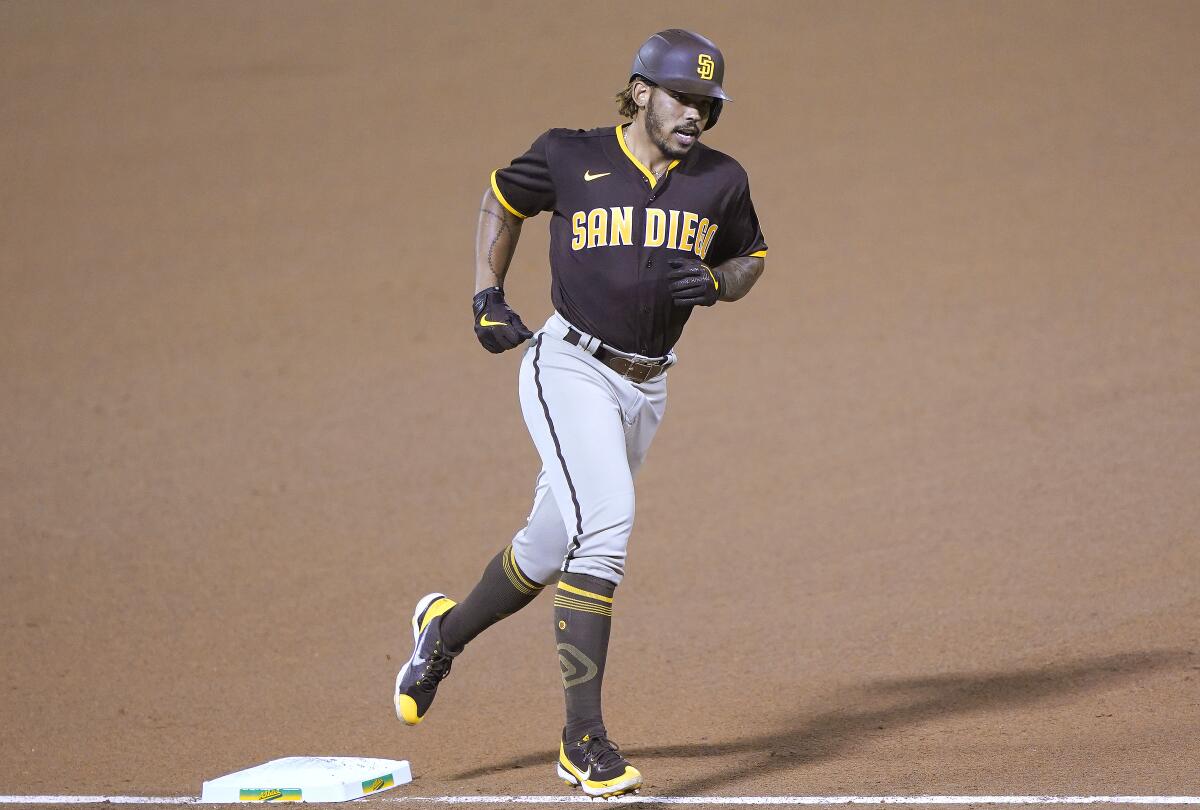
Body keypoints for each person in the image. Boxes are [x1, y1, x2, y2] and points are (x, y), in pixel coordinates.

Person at [394, 28, 767, 799]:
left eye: (707, 103)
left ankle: (443, 634)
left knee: (546, 547)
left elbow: (753, 254)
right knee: (606, 523)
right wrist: (485, 296)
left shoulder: (721, 182)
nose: (696, 114)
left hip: (647, 386)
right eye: (682, 98)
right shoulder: (570, 156)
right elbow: (501, 199)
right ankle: (582, 738)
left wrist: (722, 284)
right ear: (640, 91)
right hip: (567, 365)